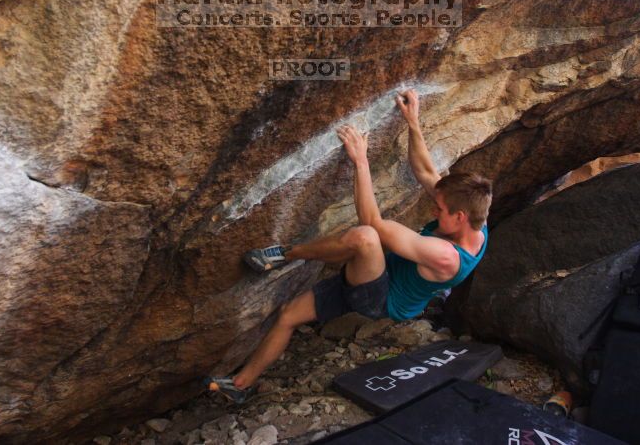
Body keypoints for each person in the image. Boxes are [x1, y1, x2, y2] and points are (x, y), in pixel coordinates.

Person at [205, 88, 492, 403]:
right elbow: (425, 172)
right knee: (289, 315)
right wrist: (413, 123)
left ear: (460, 216)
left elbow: (371, 222)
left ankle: (286, 254)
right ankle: (240, 385)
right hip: (374, 276)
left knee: (364, 238)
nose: (433, 211)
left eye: (439, 209)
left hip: (380, 300)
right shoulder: (476, 220)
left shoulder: (446, 256)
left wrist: (361, 161)